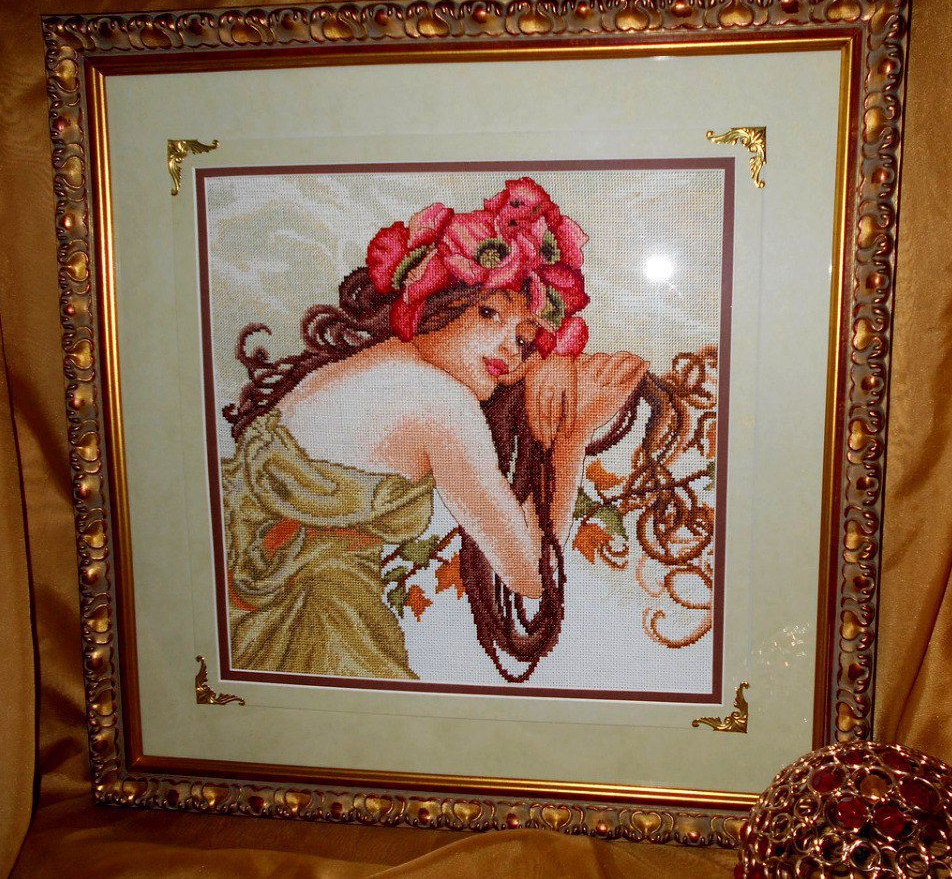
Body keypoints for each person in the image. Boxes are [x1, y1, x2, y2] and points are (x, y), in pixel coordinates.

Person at [221, 179, 646, 682]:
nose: (508, 350)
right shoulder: (439, 400)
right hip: (316, 618)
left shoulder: (376, 366)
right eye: (488, 313)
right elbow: (529, 575)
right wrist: (573, 438)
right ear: (435, 301)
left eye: (523, 338)